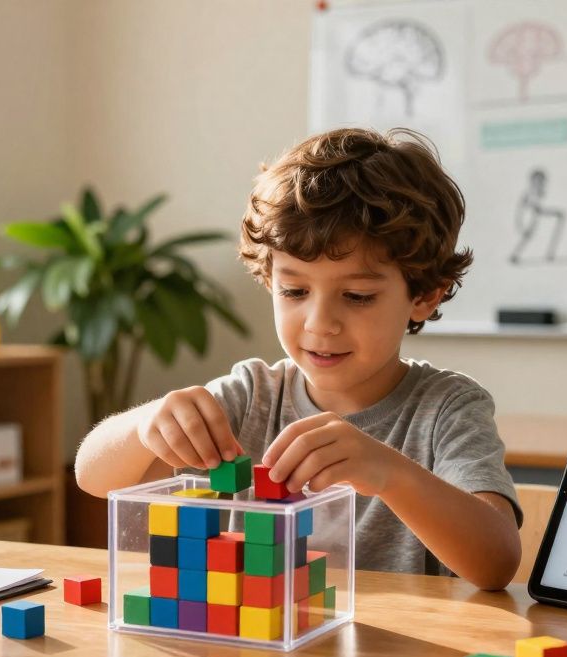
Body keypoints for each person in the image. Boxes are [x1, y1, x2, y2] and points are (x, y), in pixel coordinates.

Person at [75, 128, 522, 590]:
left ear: (425, 296)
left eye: (357, 296)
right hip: (266, 645)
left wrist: (391, 474)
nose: (319, 323)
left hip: (398, 654)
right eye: (294, 291)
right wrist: (146, 423)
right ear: (270, 281)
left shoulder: (447, 408)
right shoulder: (251, 396)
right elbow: (92, 477)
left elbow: (496, 563)